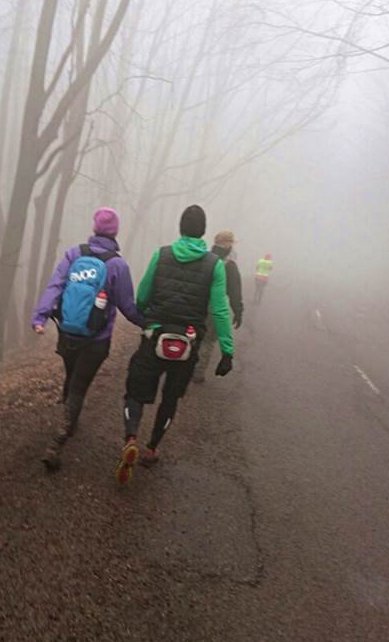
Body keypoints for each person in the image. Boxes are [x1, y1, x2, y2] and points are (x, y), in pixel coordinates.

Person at [116, 205, 234, 485]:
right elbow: (219, 310)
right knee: (171, 398)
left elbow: (143, 294)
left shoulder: (162, 253)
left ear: (180, 227)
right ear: (203, 232)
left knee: (135, 390)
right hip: (188, 342)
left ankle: (131, 437)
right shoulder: (214, 265)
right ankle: (152, 448)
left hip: (155, 334)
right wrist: (227, 350)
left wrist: (146, 317)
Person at [32, 207, 145, 470]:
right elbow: (128, 306)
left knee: (71, 378)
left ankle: (70, 419)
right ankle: (58, 441)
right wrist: (148, 322)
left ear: (94, 229)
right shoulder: (117, 264)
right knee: (79, 386)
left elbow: (55, 285)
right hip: (96, 339)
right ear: (115, 232)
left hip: (68, 332)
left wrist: (40, 317)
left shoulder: (74, 254)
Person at [193, 229, 243, 384]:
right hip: (214, 307)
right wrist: (238, 310)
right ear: (227, 244)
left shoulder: (203, 258)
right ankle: (197, 373)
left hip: (196, 304)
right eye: (231, 243)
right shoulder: (229, 265)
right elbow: (235, 291)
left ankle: (183, 367)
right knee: (208, 340)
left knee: (193, 336)